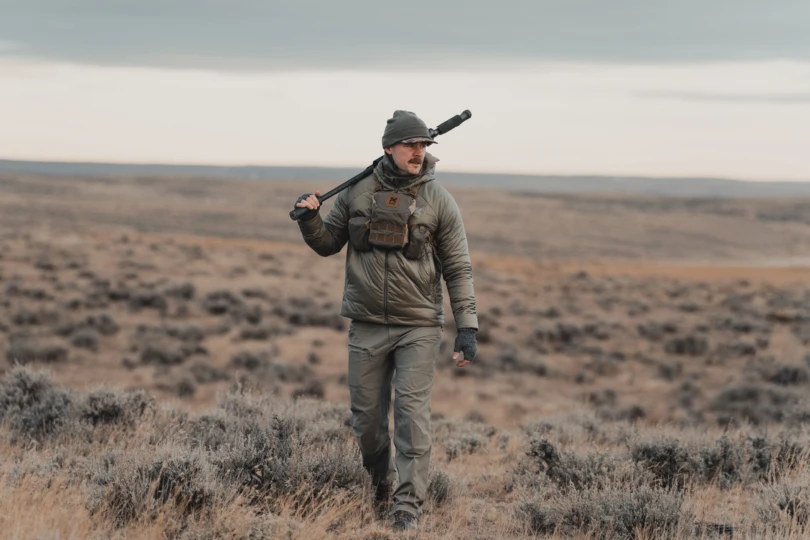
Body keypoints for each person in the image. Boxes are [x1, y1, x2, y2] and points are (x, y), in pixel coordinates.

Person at [294, 110, 478, 531]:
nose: (419, 153)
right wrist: (309, 221)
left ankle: (407, 508)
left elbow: (459, 268)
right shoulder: (357, 192)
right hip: (366, 324)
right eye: (411, 145)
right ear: (388, 148)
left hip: (419, 326)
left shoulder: (439, 199)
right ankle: (379, 486)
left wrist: (466, 327)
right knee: (368, 424)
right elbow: (328, 244)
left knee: (412, 417)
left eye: (423, 146)